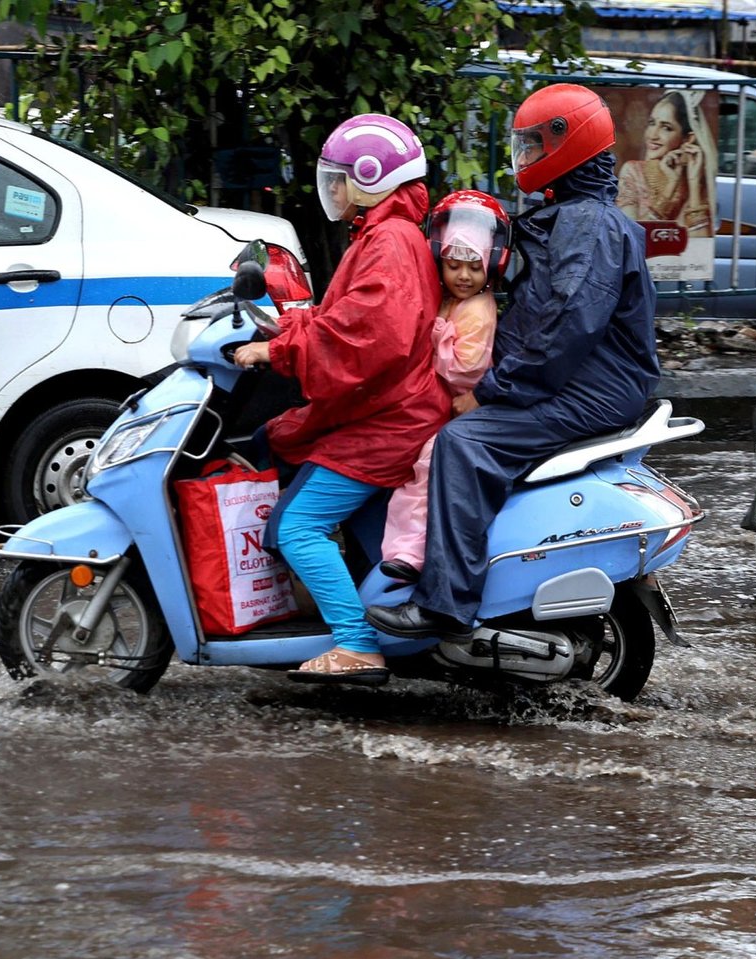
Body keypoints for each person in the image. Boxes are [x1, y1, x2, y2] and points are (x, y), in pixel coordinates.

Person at [366, 83, 660, 641]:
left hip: (585, 389)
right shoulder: (571, 216)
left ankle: (445, 607)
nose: (524, 157)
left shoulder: (589, 225)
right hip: (580, 381)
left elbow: (565, 327)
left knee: (463, 445)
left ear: (565, 145)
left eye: (533, 145)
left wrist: (493, 390)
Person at [233, 113, 449, 685]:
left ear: (372, 178)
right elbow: (347, 316)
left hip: (388, 418)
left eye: (339, 178)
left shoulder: (390, 242)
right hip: (388, 407)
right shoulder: (384, 234)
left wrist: (278, 352)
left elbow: (364, 339)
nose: (333, 190)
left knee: (295, 527)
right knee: (275, 444)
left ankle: (356, 645)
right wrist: (290, 324)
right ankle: (365, 616)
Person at [377, 190, 510, 583]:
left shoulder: (478, 310)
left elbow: (464, 369)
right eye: (454, 265)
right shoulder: (451, 300)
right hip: (435, 403)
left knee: (424, 472)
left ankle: (410, 556)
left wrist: (435, 335)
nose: (463, 276)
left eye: (473, 266)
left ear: (491, 264)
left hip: (455, 409)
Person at [615, 90, 713, 237]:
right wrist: (670, 187)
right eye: (652, 123)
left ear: (688, 139)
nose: (653, 135)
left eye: (666, 127)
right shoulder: (633, 171)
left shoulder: (698, 180)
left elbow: (700, 247)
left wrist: (693, 185)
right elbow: (633, 237)